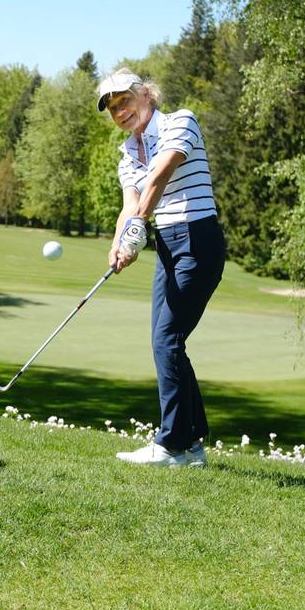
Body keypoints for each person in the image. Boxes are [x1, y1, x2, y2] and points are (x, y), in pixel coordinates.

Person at [99, 67, 225, 467]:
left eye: (125, 101)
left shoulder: (180, 122)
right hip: (169, 246)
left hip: (198, 239)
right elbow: (130, 204)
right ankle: (192, 445)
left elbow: (159, 177)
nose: (120, 112)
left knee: (166, 339)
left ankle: (169, 445)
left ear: (146, 95)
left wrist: (137, 228)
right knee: (166, 341)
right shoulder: (126, 153)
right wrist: (120, 244)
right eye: (113, 108)